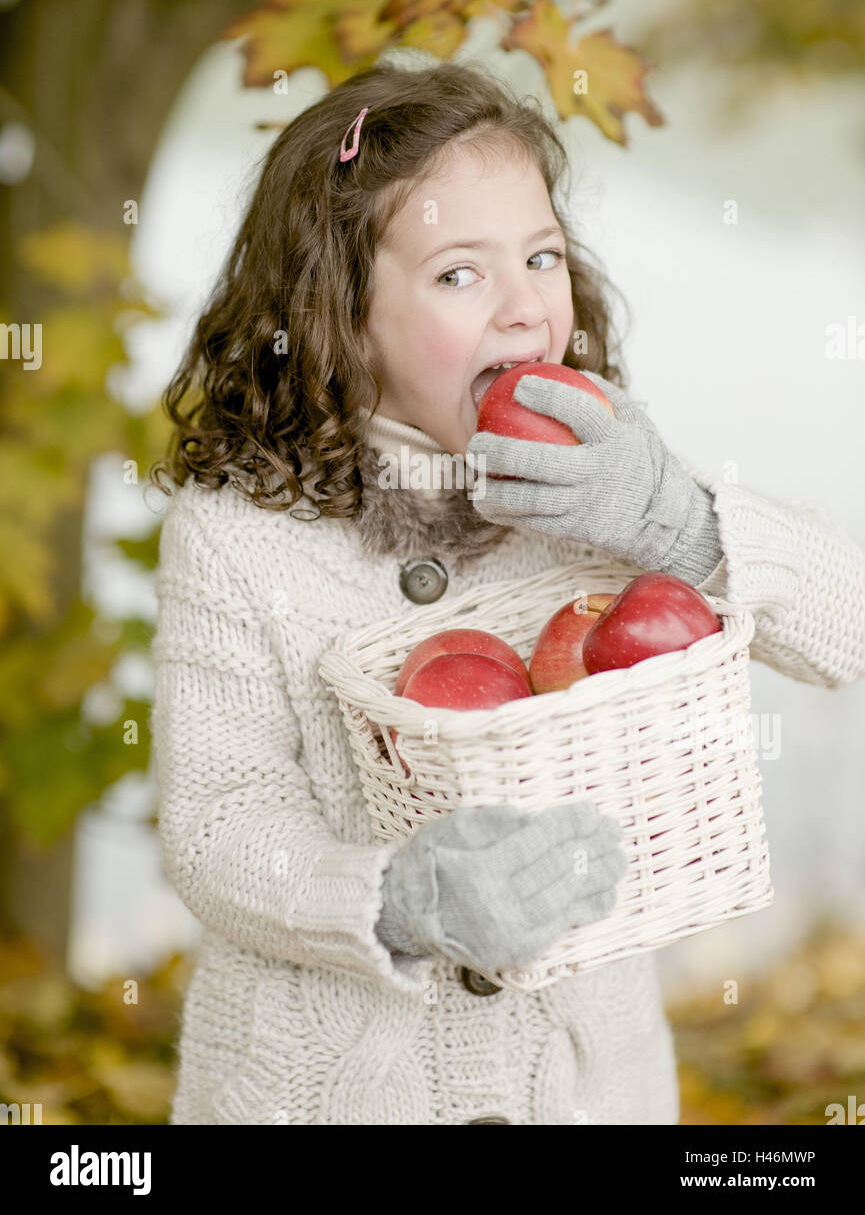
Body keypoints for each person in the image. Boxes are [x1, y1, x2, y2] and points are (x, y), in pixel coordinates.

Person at [149, 59, 865, 1125]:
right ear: (340, 311)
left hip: (583, 1092)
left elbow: (846, 626)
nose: (528, 306)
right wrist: (390, 900)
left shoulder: (603, 479)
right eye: (457, 275)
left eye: (540, 255)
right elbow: (217, 826)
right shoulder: (240, 533)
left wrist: (681, 525)